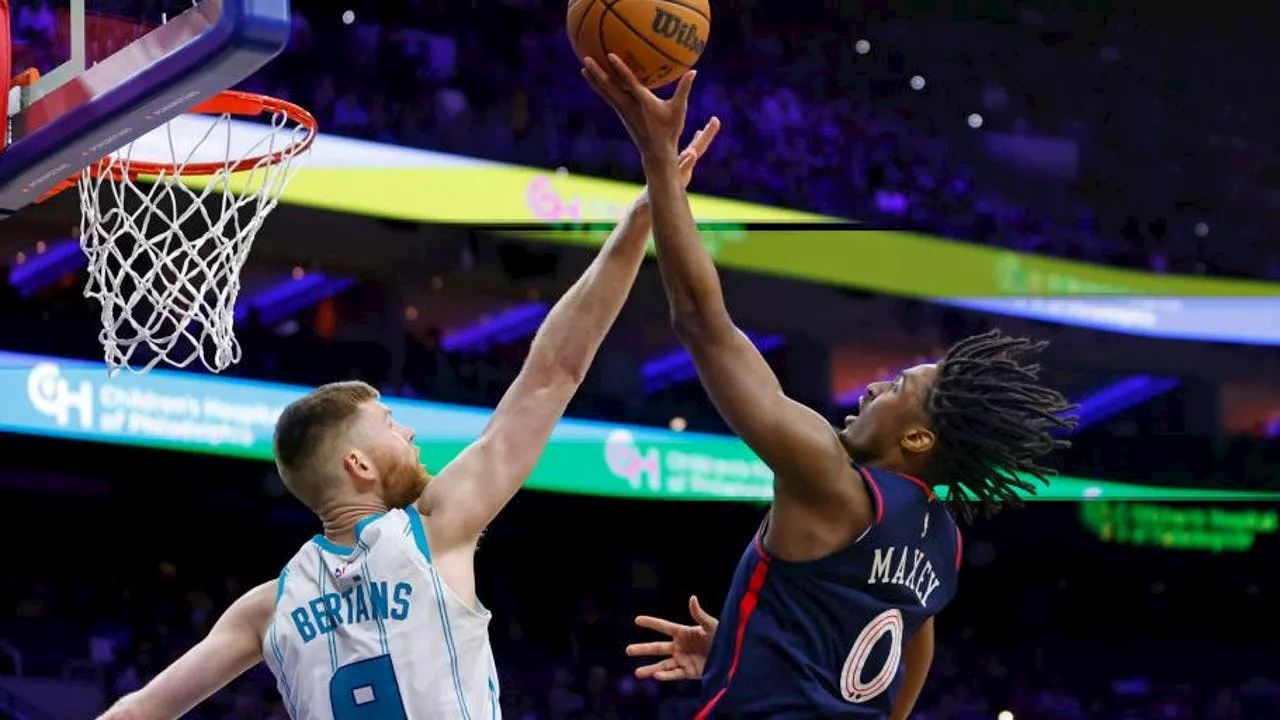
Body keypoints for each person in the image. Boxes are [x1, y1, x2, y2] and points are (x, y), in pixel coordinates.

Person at [94, 119, 721, 720]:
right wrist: (643, 215)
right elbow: (554, 370)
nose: (410, 433)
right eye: (391, 424)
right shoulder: (434, 532)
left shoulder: (267, 609)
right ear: (357, 463)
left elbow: (138, 712)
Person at [581, 55, 1078, 719]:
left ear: (919, 436)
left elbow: (703, 323)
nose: (873, 388)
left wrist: (660, 162)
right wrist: (742, 650)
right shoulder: (941, 541)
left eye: (898, 386)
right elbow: (914, 644)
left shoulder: (830, 476)